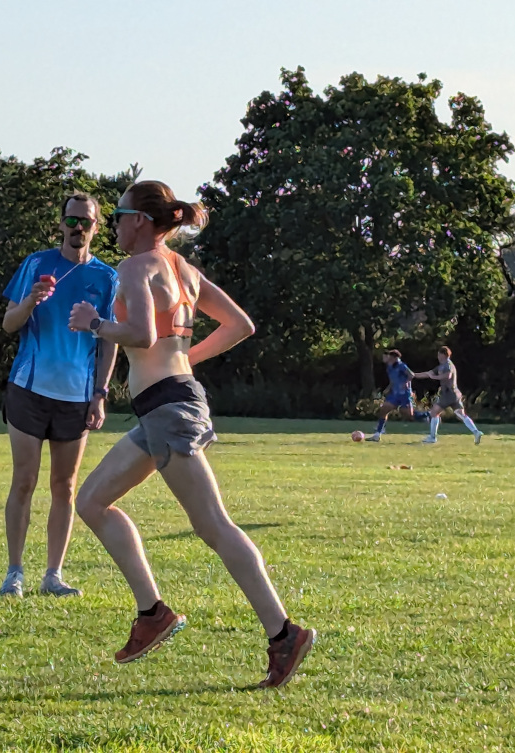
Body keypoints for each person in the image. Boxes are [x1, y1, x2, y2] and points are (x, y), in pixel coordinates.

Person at [68, 181, 315, 689]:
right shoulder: (183, 268)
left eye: (117, 215)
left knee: (214, 526)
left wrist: (94, 324)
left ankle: (283, 633)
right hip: (167, 406)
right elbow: (239, 324)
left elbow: (141, 335)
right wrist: (185, 361)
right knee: (91, 501)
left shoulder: (135, 267)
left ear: (140, 220)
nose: (113, 224)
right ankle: (152, 613)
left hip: (168, 411)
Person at [0, 193, 119, 598]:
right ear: (62, 223)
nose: (77, 227)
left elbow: (110, 341)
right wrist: (32, 299)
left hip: (76, 397)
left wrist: (100, 394)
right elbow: (8, 325)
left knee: (64, 487)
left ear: (96, 227)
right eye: (72, 219)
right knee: (24, 482)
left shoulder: (107, 278)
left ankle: (54, 574)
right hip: (29, 389)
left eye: (86, 221)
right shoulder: (37, 264)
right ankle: (15, 572)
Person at [414, 346, 483, 445]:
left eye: (439, 354)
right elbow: (428, 373)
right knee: (461, 414)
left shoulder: (448, 364)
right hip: (454, 394)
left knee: (434, 412)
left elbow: (448, 375)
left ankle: (432, 437)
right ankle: (476, 432)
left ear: (443, 355)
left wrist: (435, 377)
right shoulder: (441, 366)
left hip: (448, 394)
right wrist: (414, 375)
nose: (438, 356)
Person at [366, 349, 431, 441]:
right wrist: (388, 389)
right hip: (395, 394)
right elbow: (393, 380)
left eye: (388, 356)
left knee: (408, 415)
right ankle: (378, 434)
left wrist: (406, 383)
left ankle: (428, 415)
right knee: (384, 409)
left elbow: (411, 375)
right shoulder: (389, 367)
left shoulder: (401, 366)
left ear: (393, 358)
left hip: (405, 394)